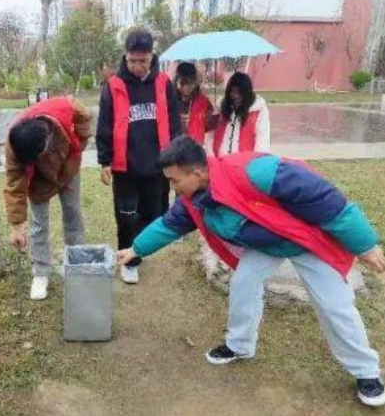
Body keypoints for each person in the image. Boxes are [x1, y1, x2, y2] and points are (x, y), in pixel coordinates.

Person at [118, 136, 385, 407]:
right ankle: (240, 345)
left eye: (174, 180)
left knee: (334, 305)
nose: (171, 186)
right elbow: (169, 225)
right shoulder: (193, 199)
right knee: (243, 284)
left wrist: (365, 246)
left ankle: (366, 372)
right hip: (267, 245)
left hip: (307, 241)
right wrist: (136, 249)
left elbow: (326, 200)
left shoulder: (257, 171)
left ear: (196, 174)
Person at [96, 28, 182, 285]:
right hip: (125, 167)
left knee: (153, 213)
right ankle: (129, 262)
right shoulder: (114, 86)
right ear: (126, 56)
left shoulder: (164, 83)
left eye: (142, 61)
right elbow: (104, 125)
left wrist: (175, 157)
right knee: (126, 216)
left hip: (157, 166)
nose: (137, 66)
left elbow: (175, 124)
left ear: (152, 56)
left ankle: (138, 250)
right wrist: (105, 161)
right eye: (132, 60)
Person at [4, 97, 92, 300]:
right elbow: (14, 184)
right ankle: (40, 272)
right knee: (38, 224)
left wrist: (78, 147)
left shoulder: (67, 109)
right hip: (38, 180)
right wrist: (16, 226)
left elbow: (85, 122)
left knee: (73, 213)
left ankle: (76, 262)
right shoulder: (14, 144)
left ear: (47, 139)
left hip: (68, 168)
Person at [206, 72, 270, 157]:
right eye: (232, 91)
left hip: (246, 162)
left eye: (239, 92)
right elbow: (210, 135)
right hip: (219, 161)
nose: (235, 96)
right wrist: (211, 156)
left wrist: (257, 162)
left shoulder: (259, 110)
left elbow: (262, 142)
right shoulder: (220, 107)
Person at [175, 62, 218, 145]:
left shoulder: (203, 101)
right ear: (176, 81)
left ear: (195, 82)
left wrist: (208, 118)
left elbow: (209, 124)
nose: (186, 88)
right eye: (182, 83)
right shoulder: (170, 101)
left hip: (196, 147)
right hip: (175, 147)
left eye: (190, 83)